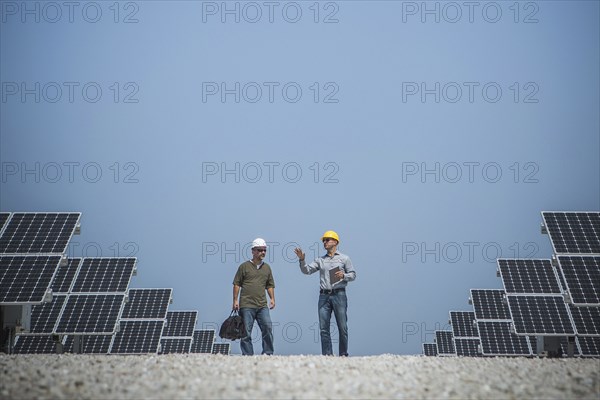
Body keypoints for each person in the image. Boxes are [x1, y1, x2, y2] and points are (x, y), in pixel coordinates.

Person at [294, 230, 356, 356]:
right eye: (324, 240)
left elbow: (353, 275)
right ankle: (327, 355)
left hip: (339, 295)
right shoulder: (320, 260)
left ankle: (343, 354)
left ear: (335, 242)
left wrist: (344, 275)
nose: (324, 242)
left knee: (342, 327)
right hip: (324, 296)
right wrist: (301, 260)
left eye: (327, 240)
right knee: (324, 328)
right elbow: (307, 271)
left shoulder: (345, 258)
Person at [233, 238, 275, 355]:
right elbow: (236, 284)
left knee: (267, 327)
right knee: (246, 332)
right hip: (246, 305)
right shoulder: (244, 267)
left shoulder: (267, 268)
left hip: (262, 305)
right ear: (253, 251)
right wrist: (235, 300)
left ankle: (268, 353)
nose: (263, 252)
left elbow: (270, 285)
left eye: (264, 250)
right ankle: (248, 355)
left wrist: (272, 299)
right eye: (260, 250)